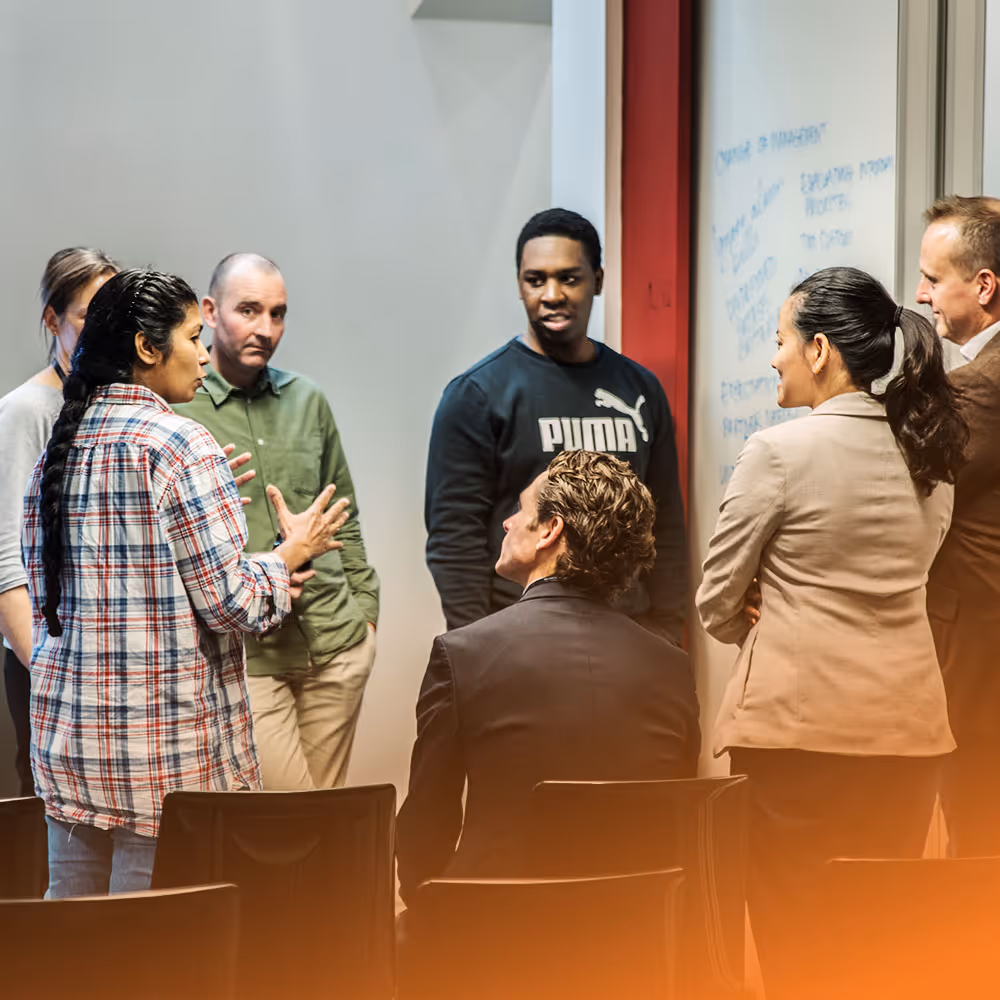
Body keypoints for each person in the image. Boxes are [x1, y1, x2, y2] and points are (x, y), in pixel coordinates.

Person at [22, 268, 349, 897]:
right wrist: (287, 556)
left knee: (74, 967)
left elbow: (58, 597)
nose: (205, 354)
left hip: (73, 757)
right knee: (159, 966)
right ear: (148, 348)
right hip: (163, 765)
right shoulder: (180, 445)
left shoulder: (62, 448)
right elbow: (233, 603)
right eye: (195, 337)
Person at [696, 266, 966, 999]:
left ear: (819, 350)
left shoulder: (776, 454)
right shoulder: (930, 459)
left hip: (795, 736)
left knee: (792, 942)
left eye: (780, 340)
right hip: (907, 736)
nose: (773, 357)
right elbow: (922, 565)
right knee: (879, 941)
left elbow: (715, 600)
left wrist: (759, 605)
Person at [398, 449, 700, 905]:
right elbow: (677, 829)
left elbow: (425, 829)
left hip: (494, 936)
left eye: (520, 511)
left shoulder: (463, 655)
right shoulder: (672, 667)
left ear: (551, 530)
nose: (507, 523)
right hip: (633, 939)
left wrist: (432, 920)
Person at [425, 208, 686, 643]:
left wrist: (666, 631)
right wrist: (477, 647)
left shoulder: (639, 391)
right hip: (517, 635)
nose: (551, 294)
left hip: (627, 634)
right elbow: (455, 539)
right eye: (535, 279)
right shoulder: (476, 395)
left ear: (598, 280)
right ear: (519, 284)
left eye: (569, 278)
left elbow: (665, 523)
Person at [174, 253, 379, 790]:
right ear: (210, 312)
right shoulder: (178, 411)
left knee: (328, 821)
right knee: (285, 825)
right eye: (249, 311)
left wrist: (367, 614)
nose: (266, 330)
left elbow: (345, 513)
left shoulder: (308, 400)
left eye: (278, 313)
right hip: (247, 657)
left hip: (334, 643)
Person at [0, 248, 118, 796]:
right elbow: (6, 564)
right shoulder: (25, 410)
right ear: (53, 320)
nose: (104, 331)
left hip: (111, 664)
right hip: (50, 667)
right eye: (87, 315)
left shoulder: (115, 406)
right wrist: (51, 677)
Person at [918, 195, 1000, 856]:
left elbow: (908, 500)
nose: (921, 295)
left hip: (980, 651)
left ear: (984, 285)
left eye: (933, 278)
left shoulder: (979, 387)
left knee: (975, 831)